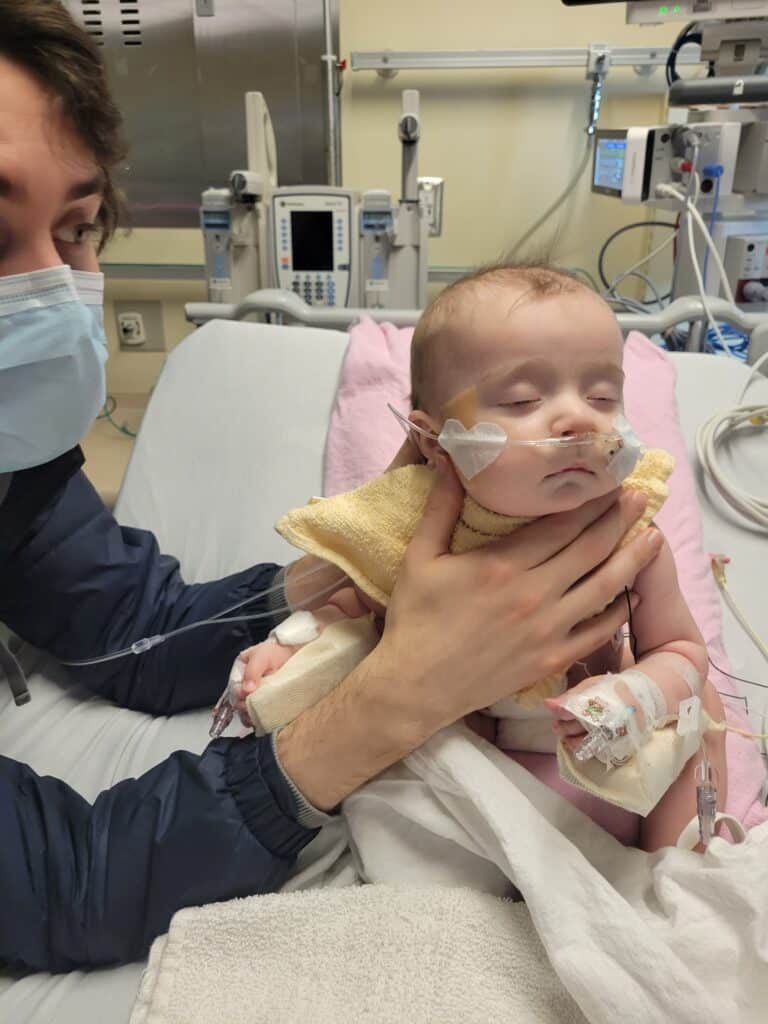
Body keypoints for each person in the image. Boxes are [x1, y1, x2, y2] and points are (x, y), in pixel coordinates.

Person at [0, 1, 660, 974]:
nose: (53, 292)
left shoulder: (15, 457)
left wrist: (348, 575)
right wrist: (395, 699)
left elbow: (129, 629)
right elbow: (67, 882)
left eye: (78, 227)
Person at [230, 264, 727, 852]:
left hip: (583, 749)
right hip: (451, 765)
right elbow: (350, 608)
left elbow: (682, 651)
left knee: (701, 713)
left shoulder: (630, 534)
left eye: (602, 397)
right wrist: (291, 644)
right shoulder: (407, 535)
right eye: (522, 399)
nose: (580, 419)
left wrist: (636, 696)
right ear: (433, 441)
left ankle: (675, 877)